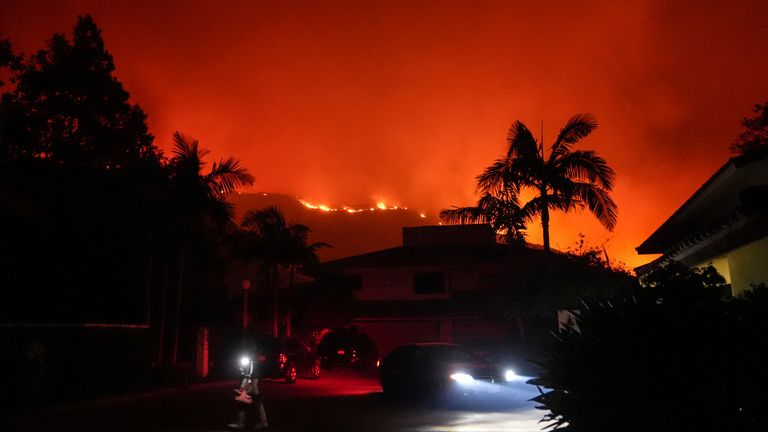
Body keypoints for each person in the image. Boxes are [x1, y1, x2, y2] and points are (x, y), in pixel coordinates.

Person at [228, 357, 268, 430]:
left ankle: (241, 422)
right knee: (244, 398)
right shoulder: (248, 359)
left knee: (250, 398)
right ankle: (242, 422)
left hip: (252, 377)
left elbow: (250, 372)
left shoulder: (252, 362)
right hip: (250, 376)